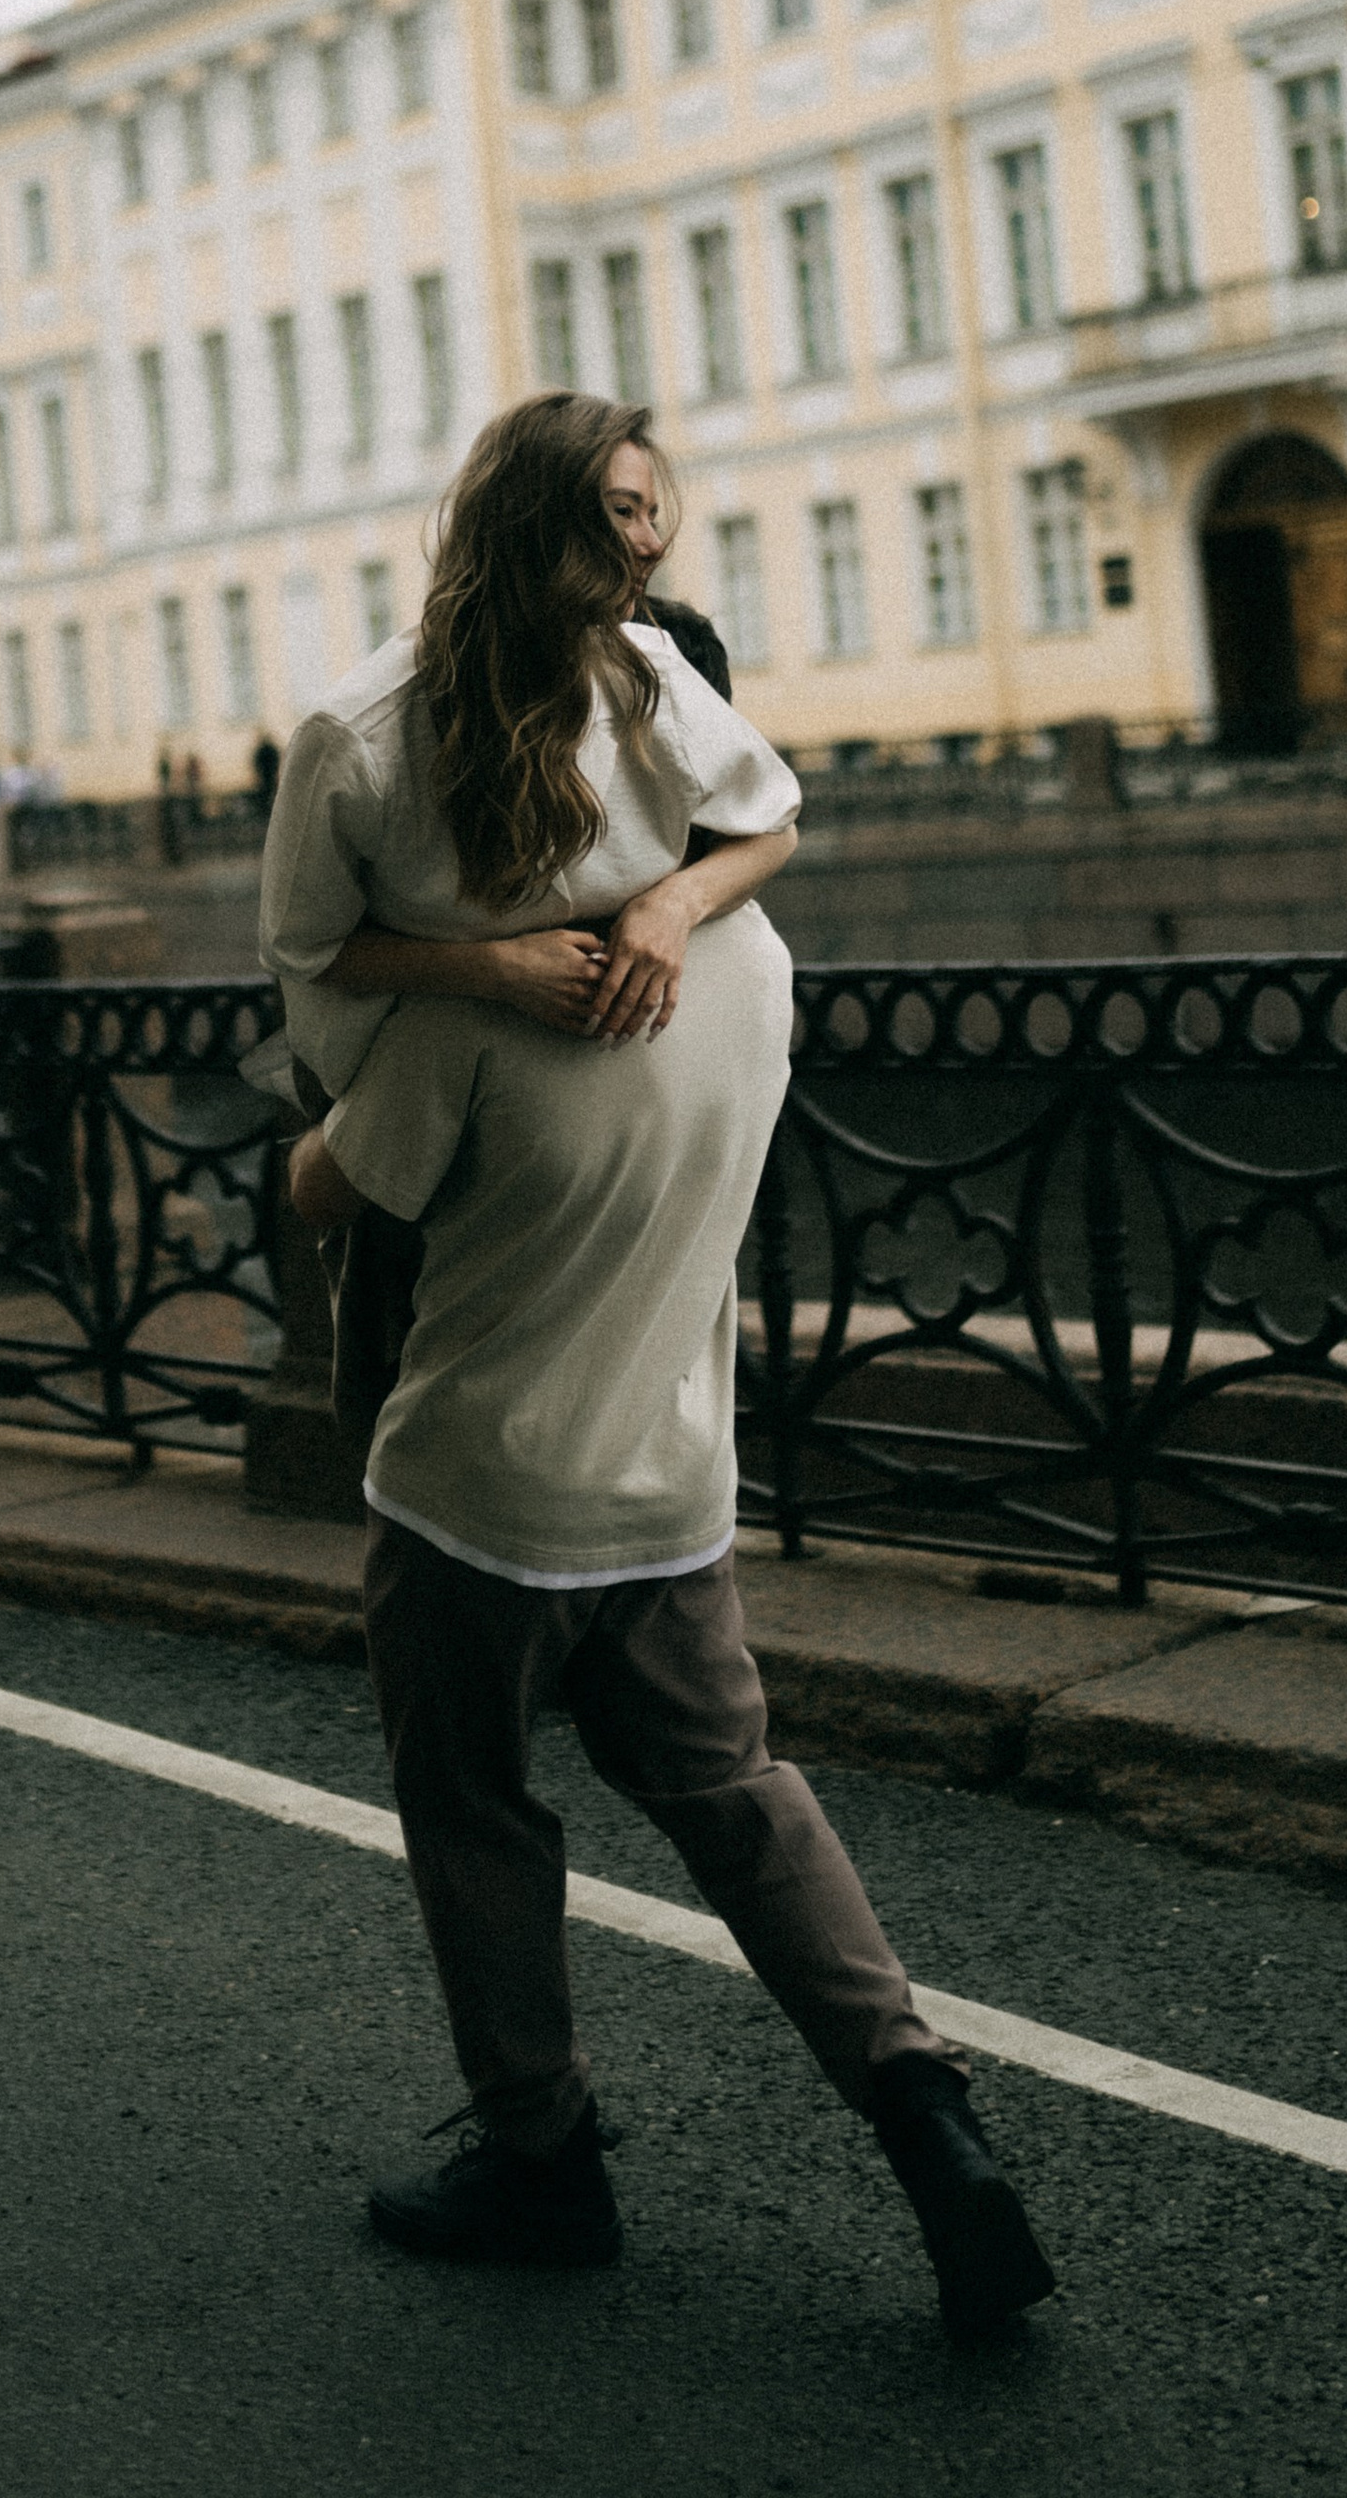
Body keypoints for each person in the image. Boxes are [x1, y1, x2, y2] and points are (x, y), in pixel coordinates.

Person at [258, 392, 1056, 2341]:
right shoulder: (754, 995)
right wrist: (665, 912)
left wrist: (440, 1001)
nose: (638, 574)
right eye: (616, 534)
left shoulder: (451, 1034)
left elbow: (318, 1173)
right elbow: (755, 833)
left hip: (475, 1488)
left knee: (475, 1810)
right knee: (738, 1795)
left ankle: (537, 2158)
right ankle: (922, 2113)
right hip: (669, 1474)